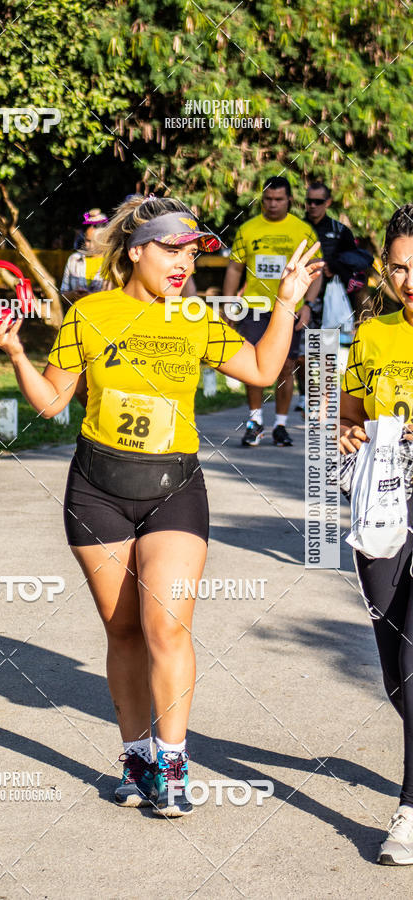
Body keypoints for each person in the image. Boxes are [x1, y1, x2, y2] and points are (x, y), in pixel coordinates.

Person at [0, 195, 322, 816]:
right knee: (125, 630)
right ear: (135, 251)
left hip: (175, 489)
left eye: (192, 252)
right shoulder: (90, 313)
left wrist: (287, 302)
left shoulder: (195, 314)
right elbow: (54, 404)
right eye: (171, 248)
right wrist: (14, 354)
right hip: (97, 489)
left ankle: (173, 760)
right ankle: (135, 758)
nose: (184, 262)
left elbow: (265, 369)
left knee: (167, 626)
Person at [340, 203, 413, 865]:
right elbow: (350, 411)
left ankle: (410, 814)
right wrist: (350, 430)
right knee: (394, 674)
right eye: (400, 267)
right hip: (383, 501)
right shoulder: (374, 336)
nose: (410, 279)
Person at [223, 176, 321, 447]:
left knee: (286, 367)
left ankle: (280, 425)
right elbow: (234, 268)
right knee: (252, 363)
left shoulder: (302, 230)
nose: (273, 204)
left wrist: (309, 306)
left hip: (289, 308)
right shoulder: (248, 229)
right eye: (267, 199)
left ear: (289, 199)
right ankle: (255, 422)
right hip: (255, 307)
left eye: (278, 199)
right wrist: (230, 303)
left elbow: (316, 272)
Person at [294, 181, 360, 413]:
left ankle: (326, 400)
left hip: (329, 301)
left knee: (325, 353)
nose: (312, 206)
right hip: (300, 299)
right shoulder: (297, 226)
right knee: (301, 355)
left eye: (318, 202)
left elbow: (359, 261)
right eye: (309, 201)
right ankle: (304, 395)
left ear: (328, 203)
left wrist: (334, 266)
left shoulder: (340, 230)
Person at [60, 208, 110, 300]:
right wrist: (73, 294)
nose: (90, 245)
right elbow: (63, 294)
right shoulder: (74, 259)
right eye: (87, 240)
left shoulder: (112, 262)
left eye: (95, 241)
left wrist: (91, 297)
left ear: (104, 239)